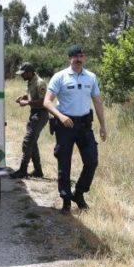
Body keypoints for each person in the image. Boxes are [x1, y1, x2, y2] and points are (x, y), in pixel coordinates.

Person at [43, 44, 107, 214]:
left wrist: (103, 125)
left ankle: (78, 193)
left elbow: (97, 101)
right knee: (64, 163)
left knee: (92, 161)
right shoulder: (60, 77)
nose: (79, 59)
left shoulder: (91, 77)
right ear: (69, 58)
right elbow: (47, 101)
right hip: (65, 125)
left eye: (81, 56)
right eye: (75, 56)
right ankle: (66, 201)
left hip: (84, 126)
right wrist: (61, 116)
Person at [9, 62, 49, 179]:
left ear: (29, 72)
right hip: (34, 114)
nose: (21, 76)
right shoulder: (30, 82)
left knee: (27, 142)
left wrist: (27, 103)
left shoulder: (40, 82)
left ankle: (23, 170)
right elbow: (32, 95)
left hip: (41, 114)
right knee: (33, 142)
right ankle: (38, 171)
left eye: (23, 73)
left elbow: (43, 102)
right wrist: (23, 97)